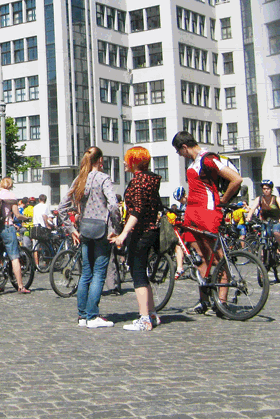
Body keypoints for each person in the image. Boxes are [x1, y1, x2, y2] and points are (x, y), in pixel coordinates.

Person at [171, 131, 243, 315]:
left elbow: (236, 179)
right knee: (200, 258)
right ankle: (204, 301)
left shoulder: (208, 159)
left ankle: (222, 302)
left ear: (184, 147)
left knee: (218, 258)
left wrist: (224, 200)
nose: (180, 155)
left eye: (179, 151)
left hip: (208, 213)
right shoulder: (194, 162)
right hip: (193, 213)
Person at [57, 147, 119, 328]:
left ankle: (82, 316)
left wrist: (71, 229)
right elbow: (114, 205)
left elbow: (61, 207)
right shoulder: (103, 178)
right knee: (99, 273)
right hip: (101, 230)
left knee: (86, 273)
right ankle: (92, 316)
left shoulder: (79, 179)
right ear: (100, 160)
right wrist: (115, 227)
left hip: (85, 230)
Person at [112, 147, 163, 331]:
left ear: (134, 162)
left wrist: (124, 234)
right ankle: (152, 314)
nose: (124, 163)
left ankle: (144, 319)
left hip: (141, 232)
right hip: (151, 230)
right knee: (141, 272)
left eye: (127, 160)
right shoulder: (151, 180)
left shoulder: (139, 182)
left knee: (138, 274)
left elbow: (137, 210)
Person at [0, 177, 31, 294]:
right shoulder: (11, 196)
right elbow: (17, 215)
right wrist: (26, 218)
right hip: (7, 227)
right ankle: (20, 286)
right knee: (14, 257)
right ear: (10, 185)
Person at [246, 180, 280, 246]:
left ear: (271, 189)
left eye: (268, 189)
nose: (266, 190)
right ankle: (262, 251)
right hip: (265, 221)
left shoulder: (276, 198)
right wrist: (248, 217)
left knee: (275, 232)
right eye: (264, 189)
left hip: (276, 221)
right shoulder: (259, 199)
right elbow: (252, 209)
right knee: (263, 235)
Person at [31, 194, 53, 270]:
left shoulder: (35, 207)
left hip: (35, 228)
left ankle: (37, 265)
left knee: (35, 248)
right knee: (46, 246)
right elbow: (44, 216)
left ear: (39, 199)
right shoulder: (45, 206)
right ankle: (47, 263)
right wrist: (47, 225)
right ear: (45, 200)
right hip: (42, 228)